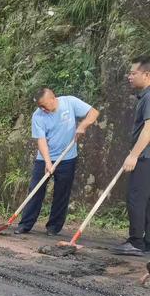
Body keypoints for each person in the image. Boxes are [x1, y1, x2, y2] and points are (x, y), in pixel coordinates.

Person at [14, 88, 99, 236]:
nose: (42, 109)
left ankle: (53, 227)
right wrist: (47, 162)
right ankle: (25, 224)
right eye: (39, 106)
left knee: (62, 193)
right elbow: (41, 141)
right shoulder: (38, 116)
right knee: (35, 190)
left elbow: (94, 113)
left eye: (44, 105)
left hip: (67, 158)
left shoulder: (70, 102)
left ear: (53, 98)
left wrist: (82, 126)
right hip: (44, 158)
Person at [112, 55, 150, 256]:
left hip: (145, 157)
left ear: (147, 74)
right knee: (148, 200)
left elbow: (149, 129)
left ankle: (136, 242)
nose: (129, 76)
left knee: (136, 198)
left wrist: (134, 155)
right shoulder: (145, 97)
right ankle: (147, 242)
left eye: (133, 73)